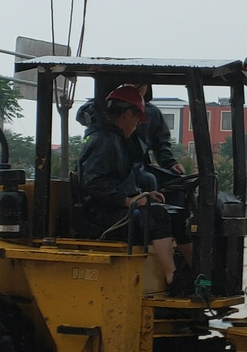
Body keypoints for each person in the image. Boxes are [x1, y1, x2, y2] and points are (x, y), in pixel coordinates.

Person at [74, 85, 181, 290]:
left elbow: (119, 180)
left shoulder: (116, 140)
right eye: (138, 117)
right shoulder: (104, 141)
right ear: (127, 114)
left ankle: (186, 272)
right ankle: (172, 277)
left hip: (112, 207)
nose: (140, 123)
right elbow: (93, 182)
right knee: (156, 215)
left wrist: (143, 195)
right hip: (102, 213)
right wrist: (128, 201)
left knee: (174, 214)